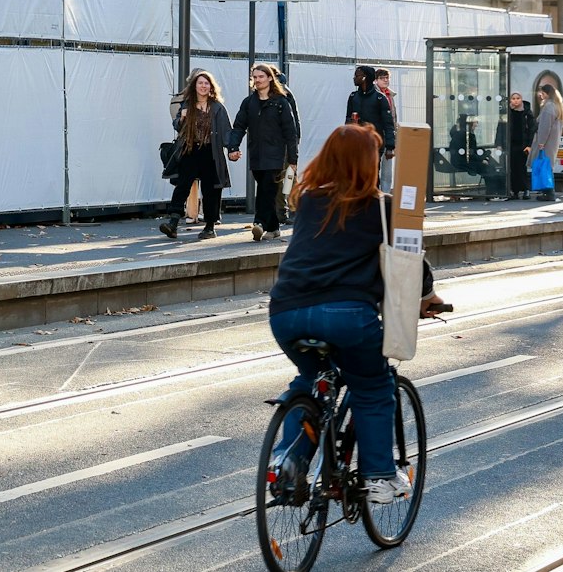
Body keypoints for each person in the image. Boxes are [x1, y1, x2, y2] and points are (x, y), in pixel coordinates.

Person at [269, 123, 445, 506]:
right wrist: (428, 296)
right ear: (370, 163)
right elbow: (410, 260)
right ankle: (380, 475)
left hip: (286, 313)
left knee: (311, 377)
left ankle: (288, 461)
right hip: (346, 316)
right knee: (373, 387)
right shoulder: (382, 208)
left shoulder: (309, 200)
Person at [229, 62, 300, 242]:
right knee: (265, 187)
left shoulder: (281, 102)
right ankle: (274, 227)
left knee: (267, 188)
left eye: (261, 76)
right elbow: (239, 126)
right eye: (255, 77)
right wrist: (233, 147)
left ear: (270, 78)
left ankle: (259, 222)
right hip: (256, 153)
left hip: (276, 154)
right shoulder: (249, 102)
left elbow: (290, 132)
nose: (258, 80)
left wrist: (293, 158)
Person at [160, 69, 232, 241]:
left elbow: (226, 131)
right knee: (182, 186)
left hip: (210, 151)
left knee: (211, 189)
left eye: (206, 83)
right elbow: (177, 126)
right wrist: (182, 119)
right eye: (200, 83)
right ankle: (173, 222)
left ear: (211, 86)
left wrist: (232, 149)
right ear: (194, 86)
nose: (203, 86)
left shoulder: (217, 107)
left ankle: (209, 226)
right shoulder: (187, 105)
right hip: (190, 150)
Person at [344, 65, 397, 189]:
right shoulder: (353, 97)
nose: (354, 78)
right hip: (356, 143)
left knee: (372, 175)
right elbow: (347, 120)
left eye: (358, 76)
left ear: (365, 78)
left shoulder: (380, 98)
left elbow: (388, 124)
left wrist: (390, 146)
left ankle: (374, 202)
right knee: (355, 174)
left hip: (375, 144)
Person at [530, 83, 563, 201]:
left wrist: (541, 142)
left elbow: (545, 126)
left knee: (544, 166)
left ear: (547, 94)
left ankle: (549, 192)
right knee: (547, 166)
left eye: (542, 93)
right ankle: (547, 192)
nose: (540, 95)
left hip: (546, 142)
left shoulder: (548, 106)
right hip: (552, 142)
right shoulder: (557, 106)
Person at [504, 91, 535, 199]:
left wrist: (530, 145)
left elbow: (532, 129)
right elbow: (501, 127)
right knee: (512, 167)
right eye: (513, 98)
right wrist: (499, 143)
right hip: (511, 144)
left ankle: (526, 190)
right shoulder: (507, 112)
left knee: (522, 167)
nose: (516, 100)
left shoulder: (527, 112)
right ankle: (514, 190)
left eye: (518, 98)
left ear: (521, 100)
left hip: (523, 144)